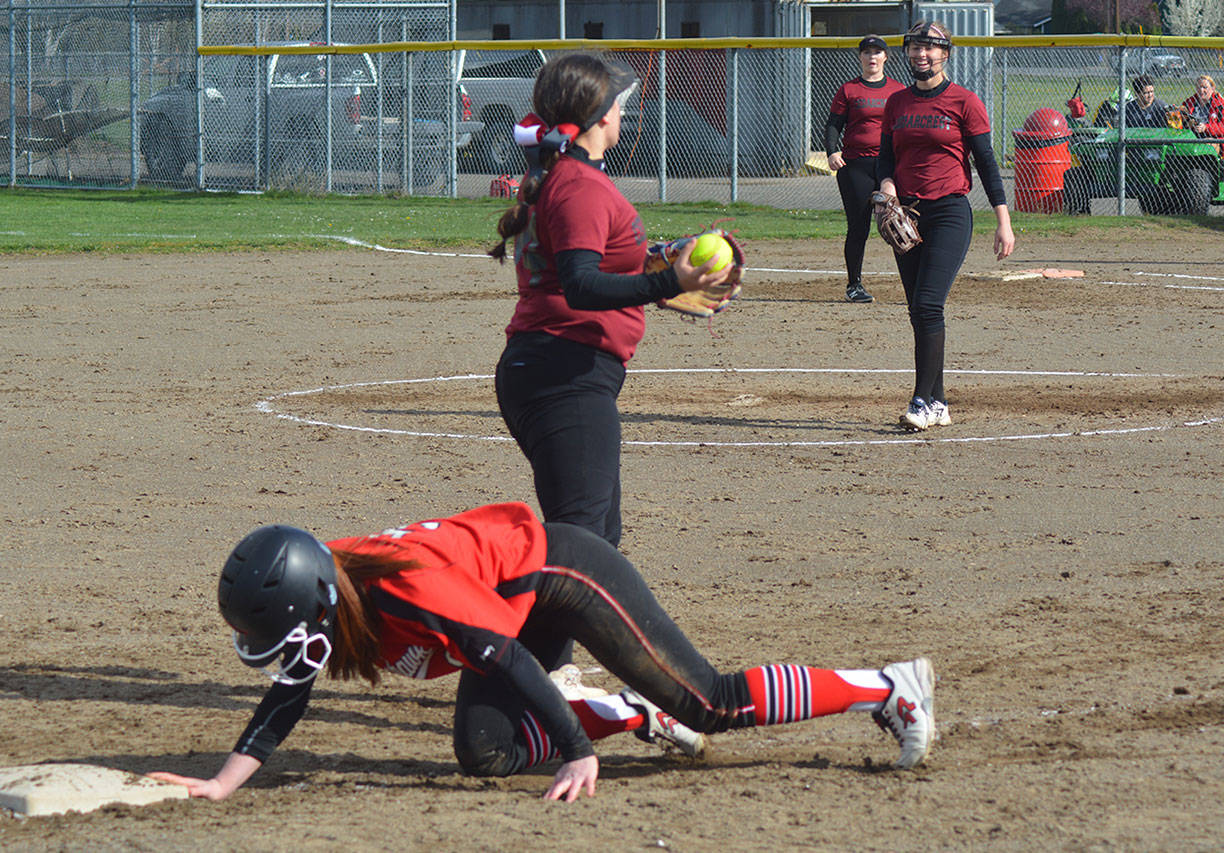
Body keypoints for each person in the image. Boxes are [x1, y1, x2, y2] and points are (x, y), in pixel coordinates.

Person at [148, 503, 937, 803]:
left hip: (564, 575)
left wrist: (575, 752)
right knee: (484, 752)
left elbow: (511, 660)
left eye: (288, 635)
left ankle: (886, 686)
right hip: (505, 605)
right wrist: (222, 782)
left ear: (318, 600)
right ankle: (627, 714)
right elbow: (289, 692)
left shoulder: (407, 592)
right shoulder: (332, 586)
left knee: (709, 701)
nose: (289, 655)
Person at [486, 54, 732, 548]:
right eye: (618, 105)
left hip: (561, 369)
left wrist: (654, 269)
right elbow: (580, 284)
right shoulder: (580, 186)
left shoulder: (570, 177)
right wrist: (669, 283)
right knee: (582, 543)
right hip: (563, 374)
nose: (622, 112)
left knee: (599, 538)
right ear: (600, 116)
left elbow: (584, 269)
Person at [877, 20, 1015, 431]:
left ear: (945, 54)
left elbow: (986, 164)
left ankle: (920, 401)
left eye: (930, 48)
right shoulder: (897, 103)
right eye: (915, 47)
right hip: (907, 215)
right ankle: (938, 402)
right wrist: (887, 189)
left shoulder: (964, 101)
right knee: (918, 311)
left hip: (950, 212)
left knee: (928, 304)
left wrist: (1003, 222)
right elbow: (886, 159)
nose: (922, 54)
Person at [824, 35, 907, 304]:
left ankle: (914, 283)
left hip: (888, 166)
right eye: (867, 52)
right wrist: (832, 151)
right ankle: (854, 285)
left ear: (886, 57)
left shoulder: (897, 90)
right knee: (858, 226)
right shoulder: (849, 89)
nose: (872, 57)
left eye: (877, 52)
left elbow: (905, 128)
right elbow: (834, 124)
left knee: (900, 224)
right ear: (860, 57)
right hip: (856, 165)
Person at [1181, 74, 1224, 144]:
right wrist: (1188, 124)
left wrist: (1206, 128)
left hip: (1212, 138)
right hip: (1192, 136)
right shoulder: (1189, 103)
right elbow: (1182, 122)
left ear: (1213, 88)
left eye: (1205, 87)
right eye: (1198, 87)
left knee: (1208, 143)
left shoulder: (1220, 105)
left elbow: (1222, 128)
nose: (1201, 90)